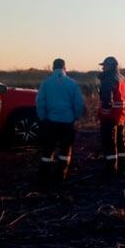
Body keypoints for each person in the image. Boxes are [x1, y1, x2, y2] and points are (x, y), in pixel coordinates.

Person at [35, 58, 85, 187]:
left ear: (53, 68)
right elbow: (79, 104)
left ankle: (44, 178)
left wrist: (43, 118)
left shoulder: (46, 83)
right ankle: (61, 177)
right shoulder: (72, 84)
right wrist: (74, 117)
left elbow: (40, 102)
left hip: (50, 122)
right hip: (67, 123)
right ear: (65, 68)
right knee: (65, 150)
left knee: (48, 151)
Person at [98, 56, 125, 177]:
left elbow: (107, 101)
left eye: (104, 66)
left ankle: (111, 169)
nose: (102, 68)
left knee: (109, 143)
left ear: (110, 66)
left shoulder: (108, 79)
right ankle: (123, 167)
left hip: (110, 118)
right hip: (121, 117)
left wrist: (104, 116)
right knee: (120, 142)